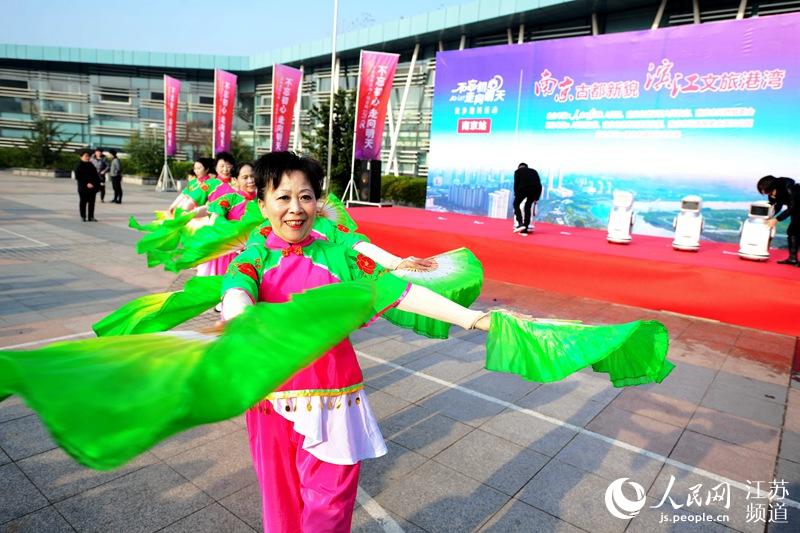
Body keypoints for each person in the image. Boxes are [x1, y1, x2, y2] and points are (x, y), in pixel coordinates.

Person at [221, 152, 491, 532]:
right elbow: (237, 289)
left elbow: (395, 291)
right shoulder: (255, 257)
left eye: (305, 196)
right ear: (262, 205)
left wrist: (474, 319)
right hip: (270, 401)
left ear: (318, 201)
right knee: (281, 505)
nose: (296, 208)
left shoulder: (339, 255)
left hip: (335, 398)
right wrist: (240, 320)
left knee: (331, 507)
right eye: (283, 197)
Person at [758, 175, 800, 266]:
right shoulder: (774, 192)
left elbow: (792, 206)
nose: (769, 195)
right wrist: (769, 216)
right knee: (792, 231)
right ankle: (792, 259)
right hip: (796, 209)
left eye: (768, 192)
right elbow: (777, 206)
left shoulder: (789, 188)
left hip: (796, 207)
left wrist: (777, 219)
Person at [513, 162, 542, 235]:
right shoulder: (534, 171)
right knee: (527, 207)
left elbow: (516, 184)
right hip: (534, 190)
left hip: (523, 189)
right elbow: (539, 185)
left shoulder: (517, 171)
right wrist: (537, 197)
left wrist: (516, 195)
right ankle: (525, 228)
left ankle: (520, 224)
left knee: (516, 204)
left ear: (519, 167)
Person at [74, 149, 100, 222]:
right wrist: (86, 183)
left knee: (92, 202)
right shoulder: (79, 165)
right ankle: (83, 216)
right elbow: (78, 176)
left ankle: (91, 216)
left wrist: (95, 184)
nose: (87, 157)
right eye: (86, 156)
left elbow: (95, 175)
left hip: (92, 187)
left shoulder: (91, 165)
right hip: (83, 187)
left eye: (88, 156)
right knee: (83, 202)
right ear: (81, 157)